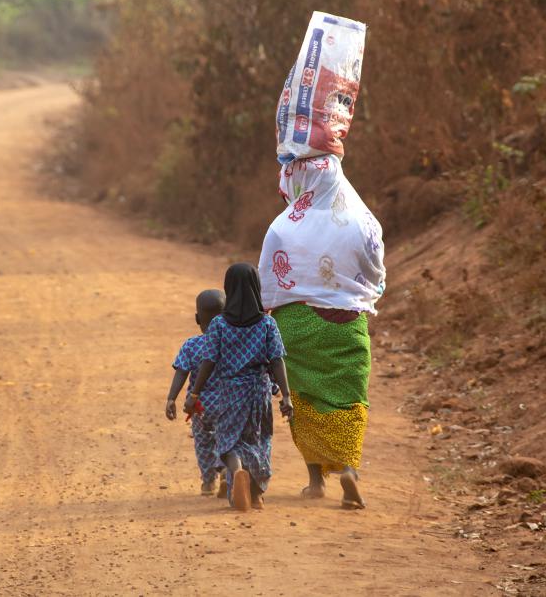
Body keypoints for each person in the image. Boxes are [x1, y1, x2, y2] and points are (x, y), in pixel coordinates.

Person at [259, 155, 386, 510]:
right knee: (348, 394)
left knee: (304, 398)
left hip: (296, 324)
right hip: (348, 322)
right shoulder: (361, 221)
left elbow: (267, 279)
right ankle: (347, 468)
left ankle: (315, 481)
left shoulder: (283, 227)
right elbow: (375, 270)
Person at [184, 263, 294, 512]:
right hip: (259, 390)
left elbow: (208, 361)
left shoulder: (219, 325)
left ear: (229, 289)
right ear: (257, 287)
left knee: (229, 440)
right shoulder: (267, 324)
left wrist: (195, 393)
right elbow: (277, 360)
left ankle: (236, 469)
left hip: (230, 390)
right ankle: (256, 495)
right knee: (259, 439)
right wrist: (286, 395)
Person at [165, 289, 228, 496]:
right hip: (227, 403)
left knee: (203, 442)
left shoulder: (192, 345)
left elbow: (181, 372)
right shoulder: (230, 343)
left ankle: (208, 482)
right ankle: (226, 471)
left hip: (199, 405)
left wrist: (171, 398)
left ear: (197, 318)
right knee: (225, 437)